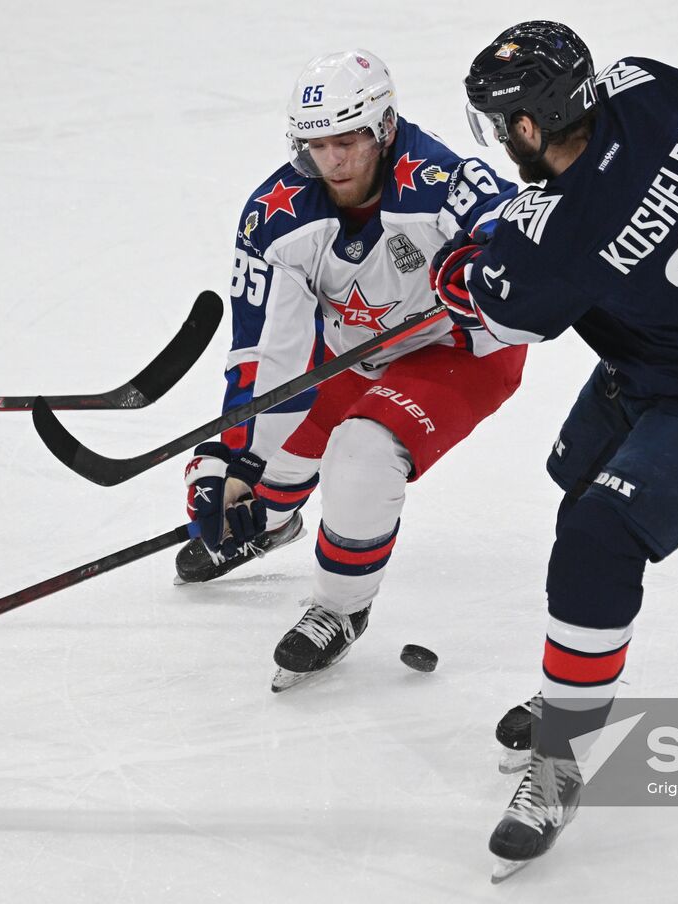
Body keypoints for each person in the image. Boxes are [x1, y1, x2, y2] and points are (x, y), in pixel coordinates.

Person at [430, 22, 678, 877]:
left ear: (529, 126)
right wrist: (676, 182)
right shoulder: (642, 88)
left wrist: (456, 266)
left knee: (598, 534)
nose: (500, 138)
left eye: (503, 124)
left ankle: (563, 749)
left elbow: (495, 309)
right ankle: (579, 689)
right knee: (576, 483)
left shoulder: (553, 233)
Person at [178, 49, 525, 693]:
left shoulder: (440, 182)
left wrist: (489, 273)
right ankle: (273, 517)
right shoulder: (276, 215)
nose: (330, 161)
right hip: (353, 349)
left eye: (346, 141)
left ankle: (339, 608)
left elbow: (518, 240)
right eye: (315, 144)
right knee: (259, 472)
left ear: (384, 127)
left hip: (458, 351)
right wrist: (235, 463)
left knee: (361, 456)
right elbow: (265, 352)